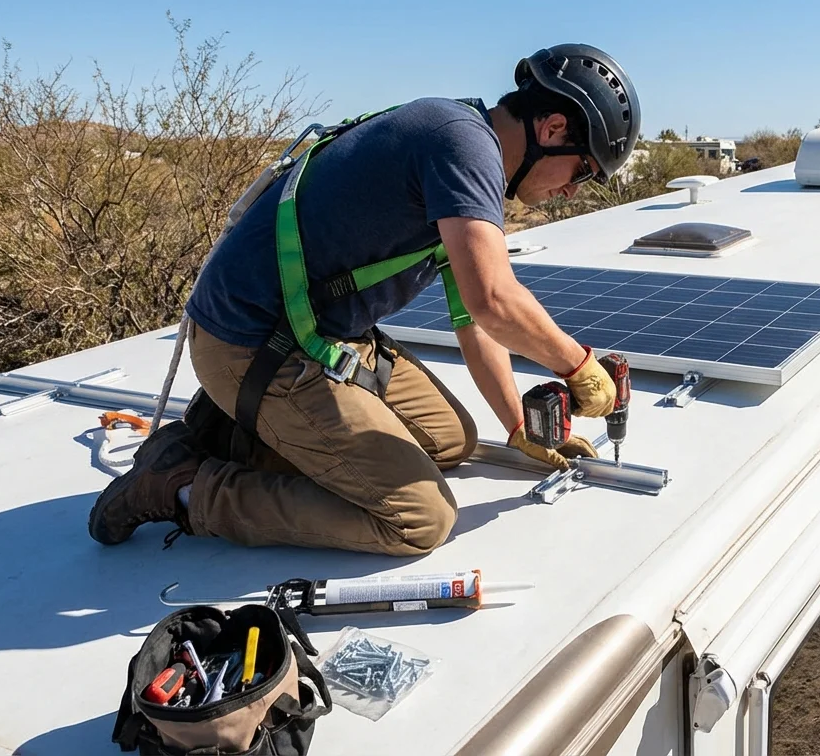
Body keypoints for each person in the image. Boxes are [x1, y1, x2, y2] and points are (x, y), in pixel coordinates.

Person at [87, 43, 641, 556]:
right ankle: (185, 486)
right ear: (553, 126)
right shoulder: (464, 145)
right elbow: (495, 297)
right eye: (583, 170)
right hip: (255, 345)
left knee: (452, 443)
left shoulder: (466, 145)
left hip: (319, 333)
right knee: (420, 519)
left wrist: (518, 430)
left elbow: (476, 317)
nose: (573, 190)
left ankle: (231, 432)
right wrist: (578, 365)